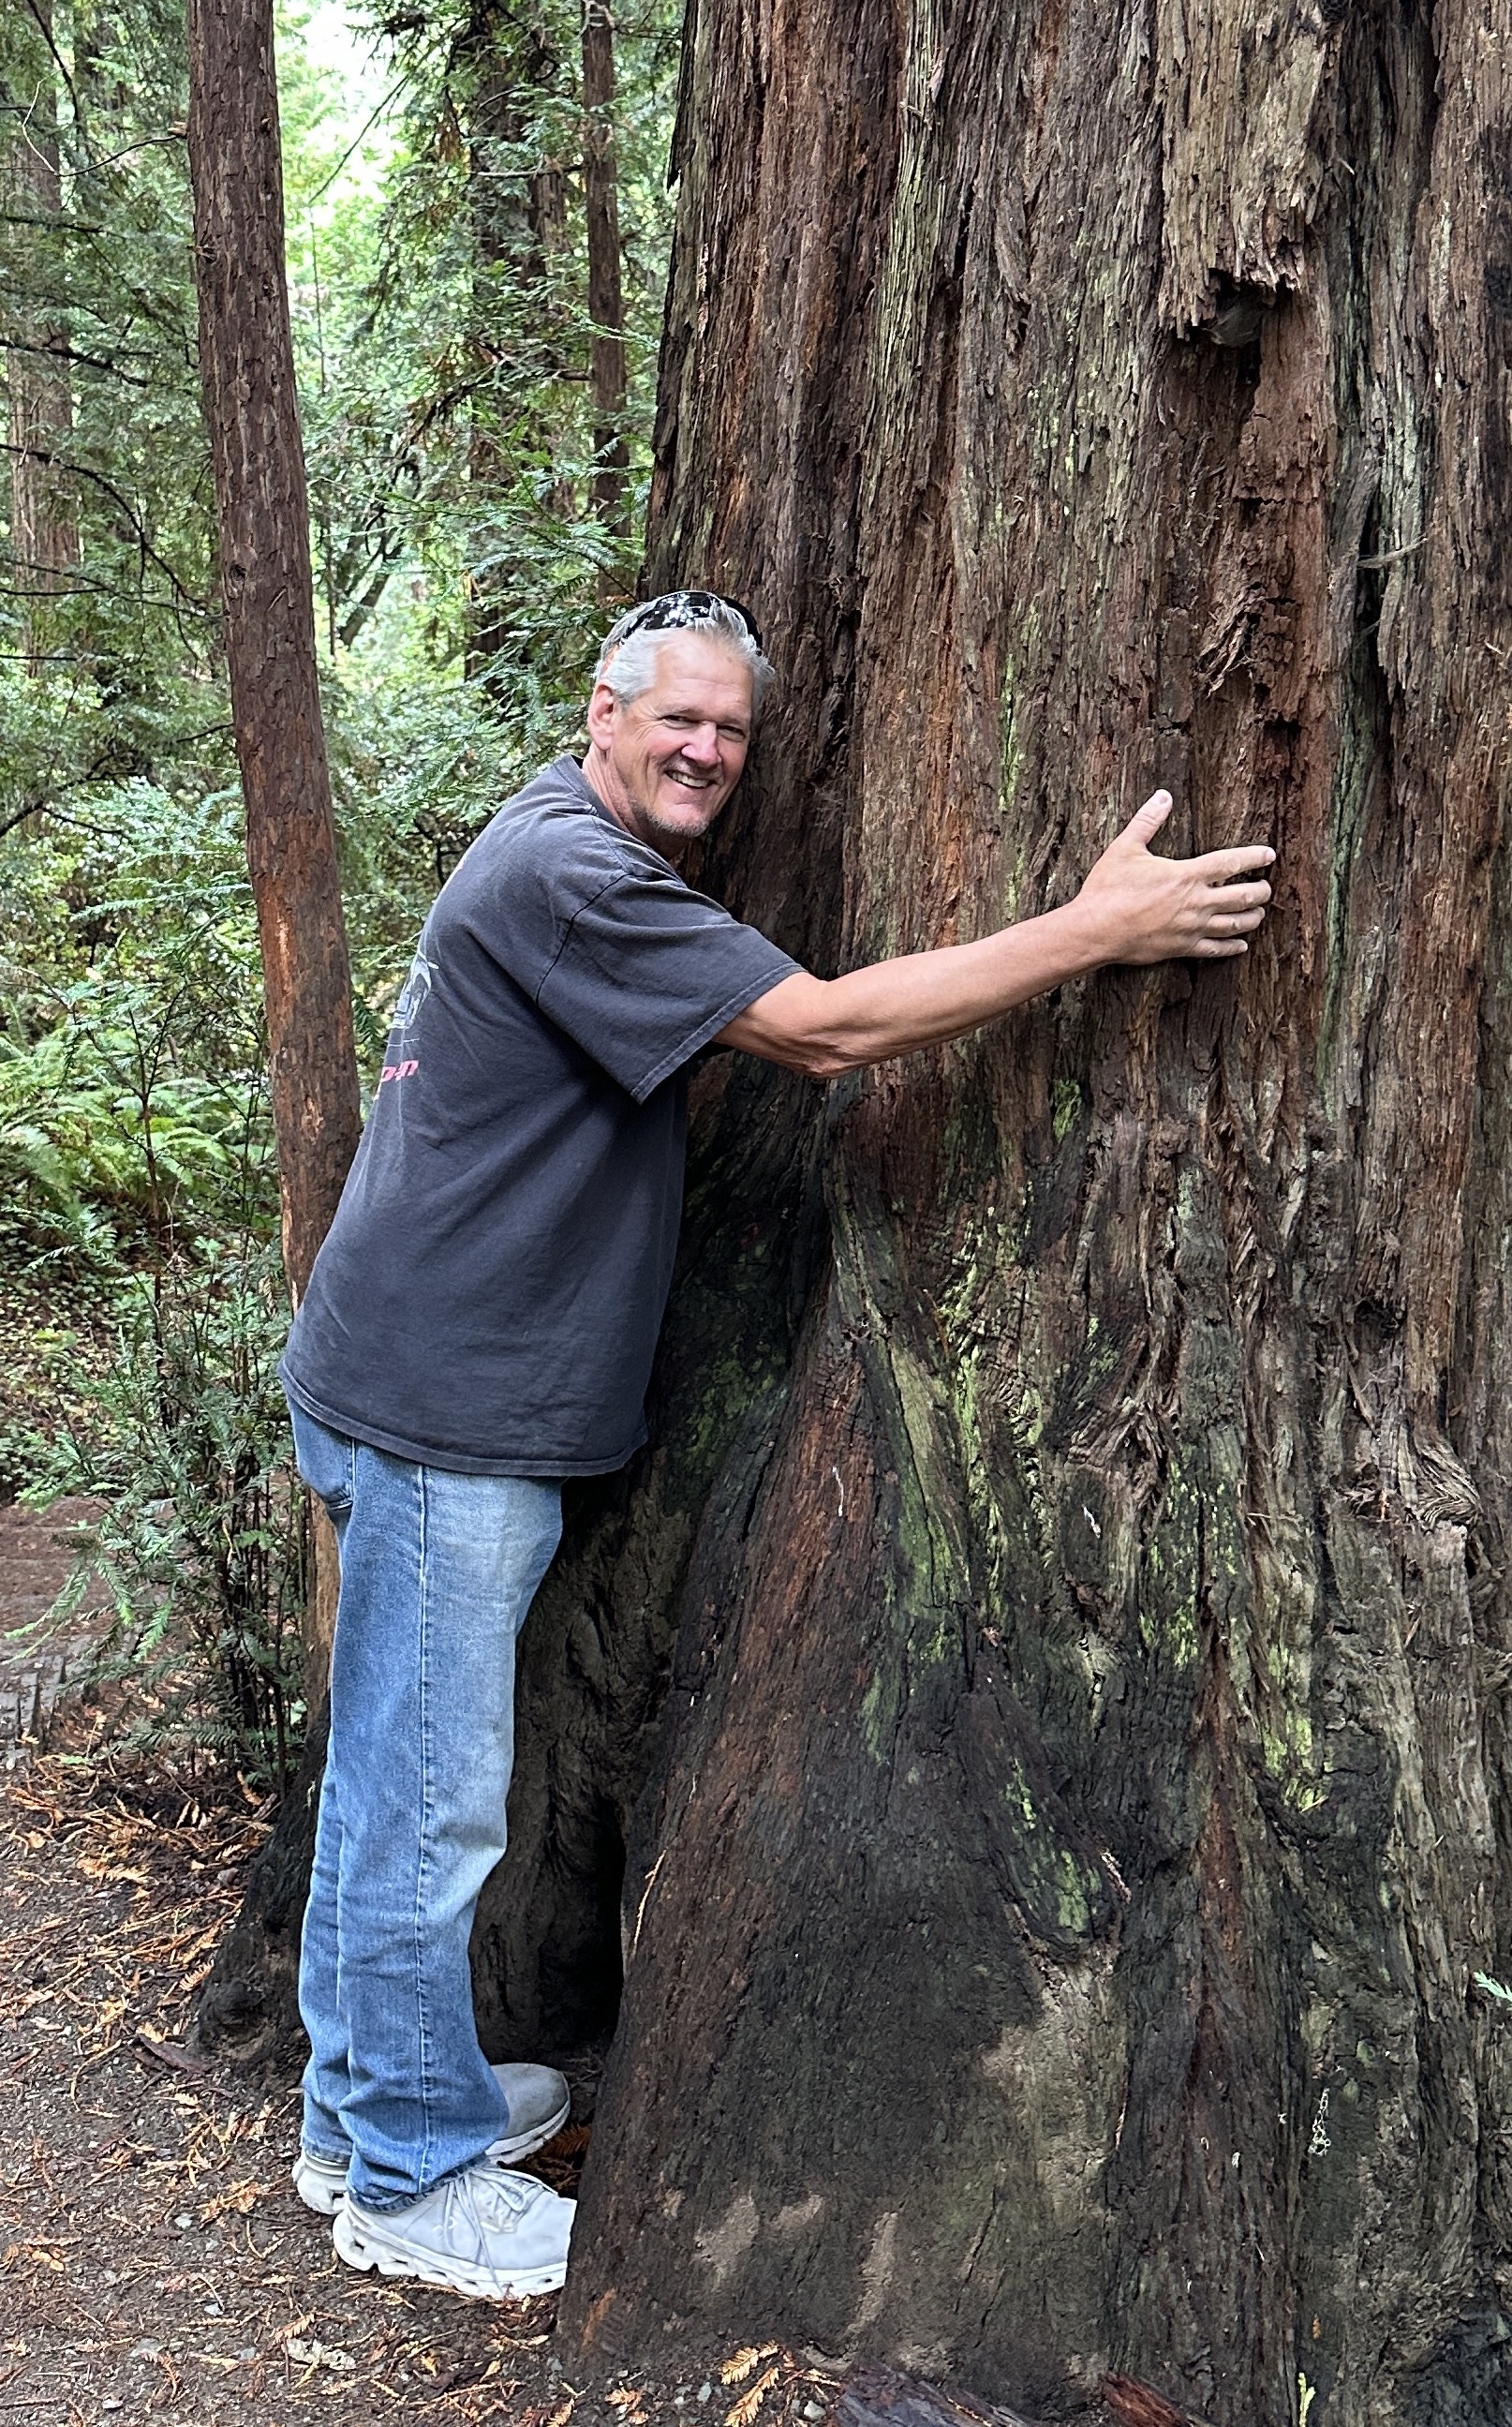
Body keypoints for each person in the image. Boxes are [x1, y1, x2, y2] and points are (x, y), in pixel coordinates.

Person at [278, 589, 1274, 2302]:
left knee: (410, 1777)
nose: (706, 751)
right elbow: (822, 1032)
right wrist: (1095, 928)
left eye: (730, 728)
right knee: (422, 1801)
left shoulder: (566, 844)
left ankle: (368, 2099)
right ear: (599, 712)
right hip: (445, 1412)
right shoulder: (568, 875)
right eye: (676, 717)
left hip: (428, 1380)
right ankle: (402, 2171)